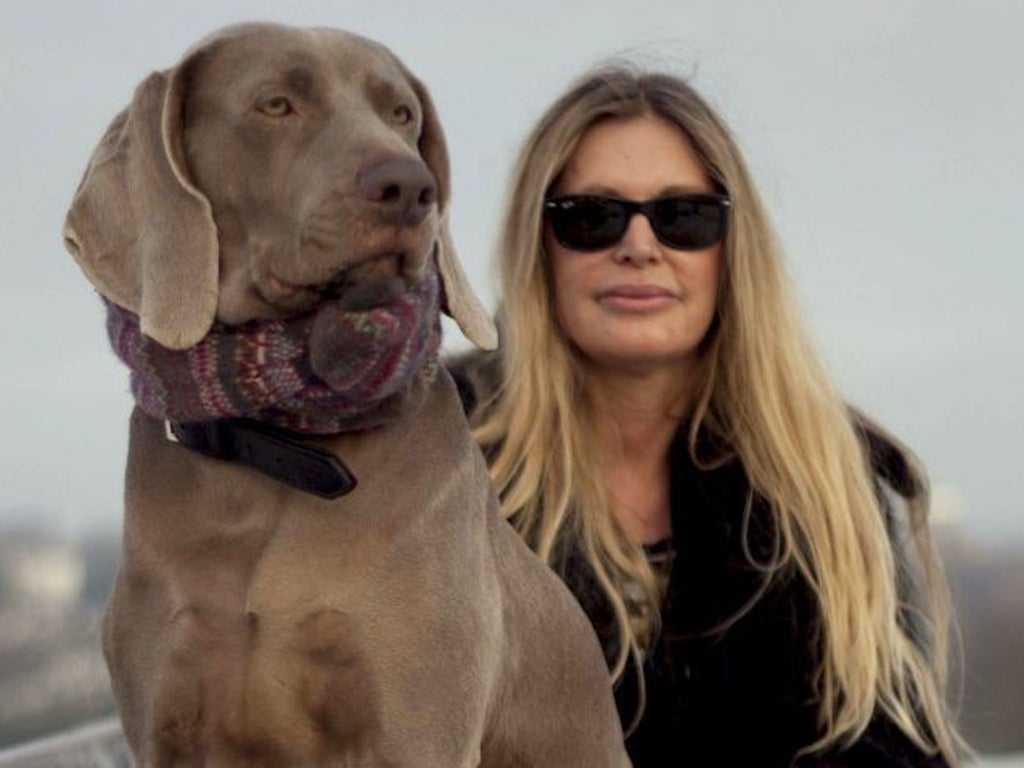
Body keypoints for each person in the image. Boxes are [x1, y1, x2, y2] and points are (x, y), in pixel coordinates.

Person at [449, 66, 965, 766]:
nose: (638, 246)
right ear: (539, 246)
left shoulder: (831, 476)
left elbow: (891, 747)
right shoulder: (443, 461)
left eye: (683, 216)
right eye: (592, 218)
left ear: (732, 246)